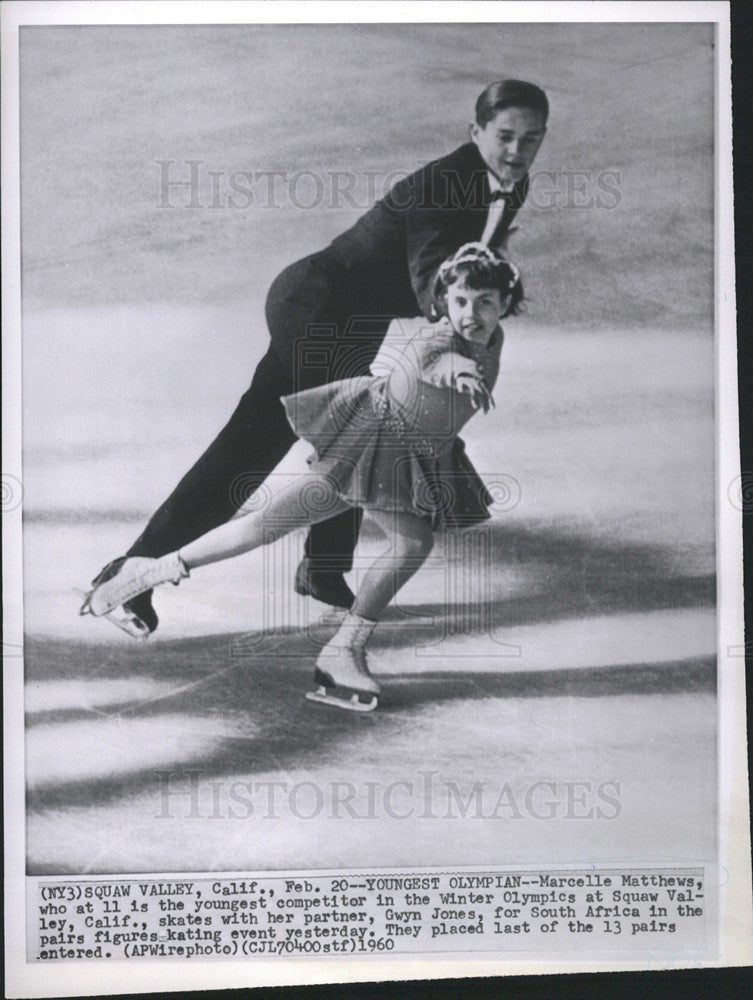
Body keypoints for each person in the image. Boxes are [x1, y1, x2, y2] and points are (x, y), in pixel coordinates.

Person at [86, 78, 548, 637]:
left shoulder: (507, 183)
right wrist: (456, 343)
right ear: (475, 132)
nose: (517, 152)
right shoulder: (449, 182)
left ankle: (322, 572)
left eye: (531, 140)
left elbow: (477, 263)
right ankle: (132, 574)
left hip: (348, 318)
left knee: (352, 443)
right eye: (505, 137)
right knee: (301, 447)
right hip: (317, 306)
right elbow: (437, 277)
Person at [81, 244, 524, 711]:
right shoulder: (441, 341)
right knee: (411, 543)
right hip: (375, 449)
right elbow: (440, 359)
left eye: (485, 302)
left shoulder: (492, 340)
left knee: (266, 525)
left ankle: (142, 573)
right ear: (442, 303)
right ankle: (342, 651)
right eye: (459, 301)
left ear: (504, 305)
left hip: (401, 453)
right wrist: (461, 373)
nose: (470, 314)